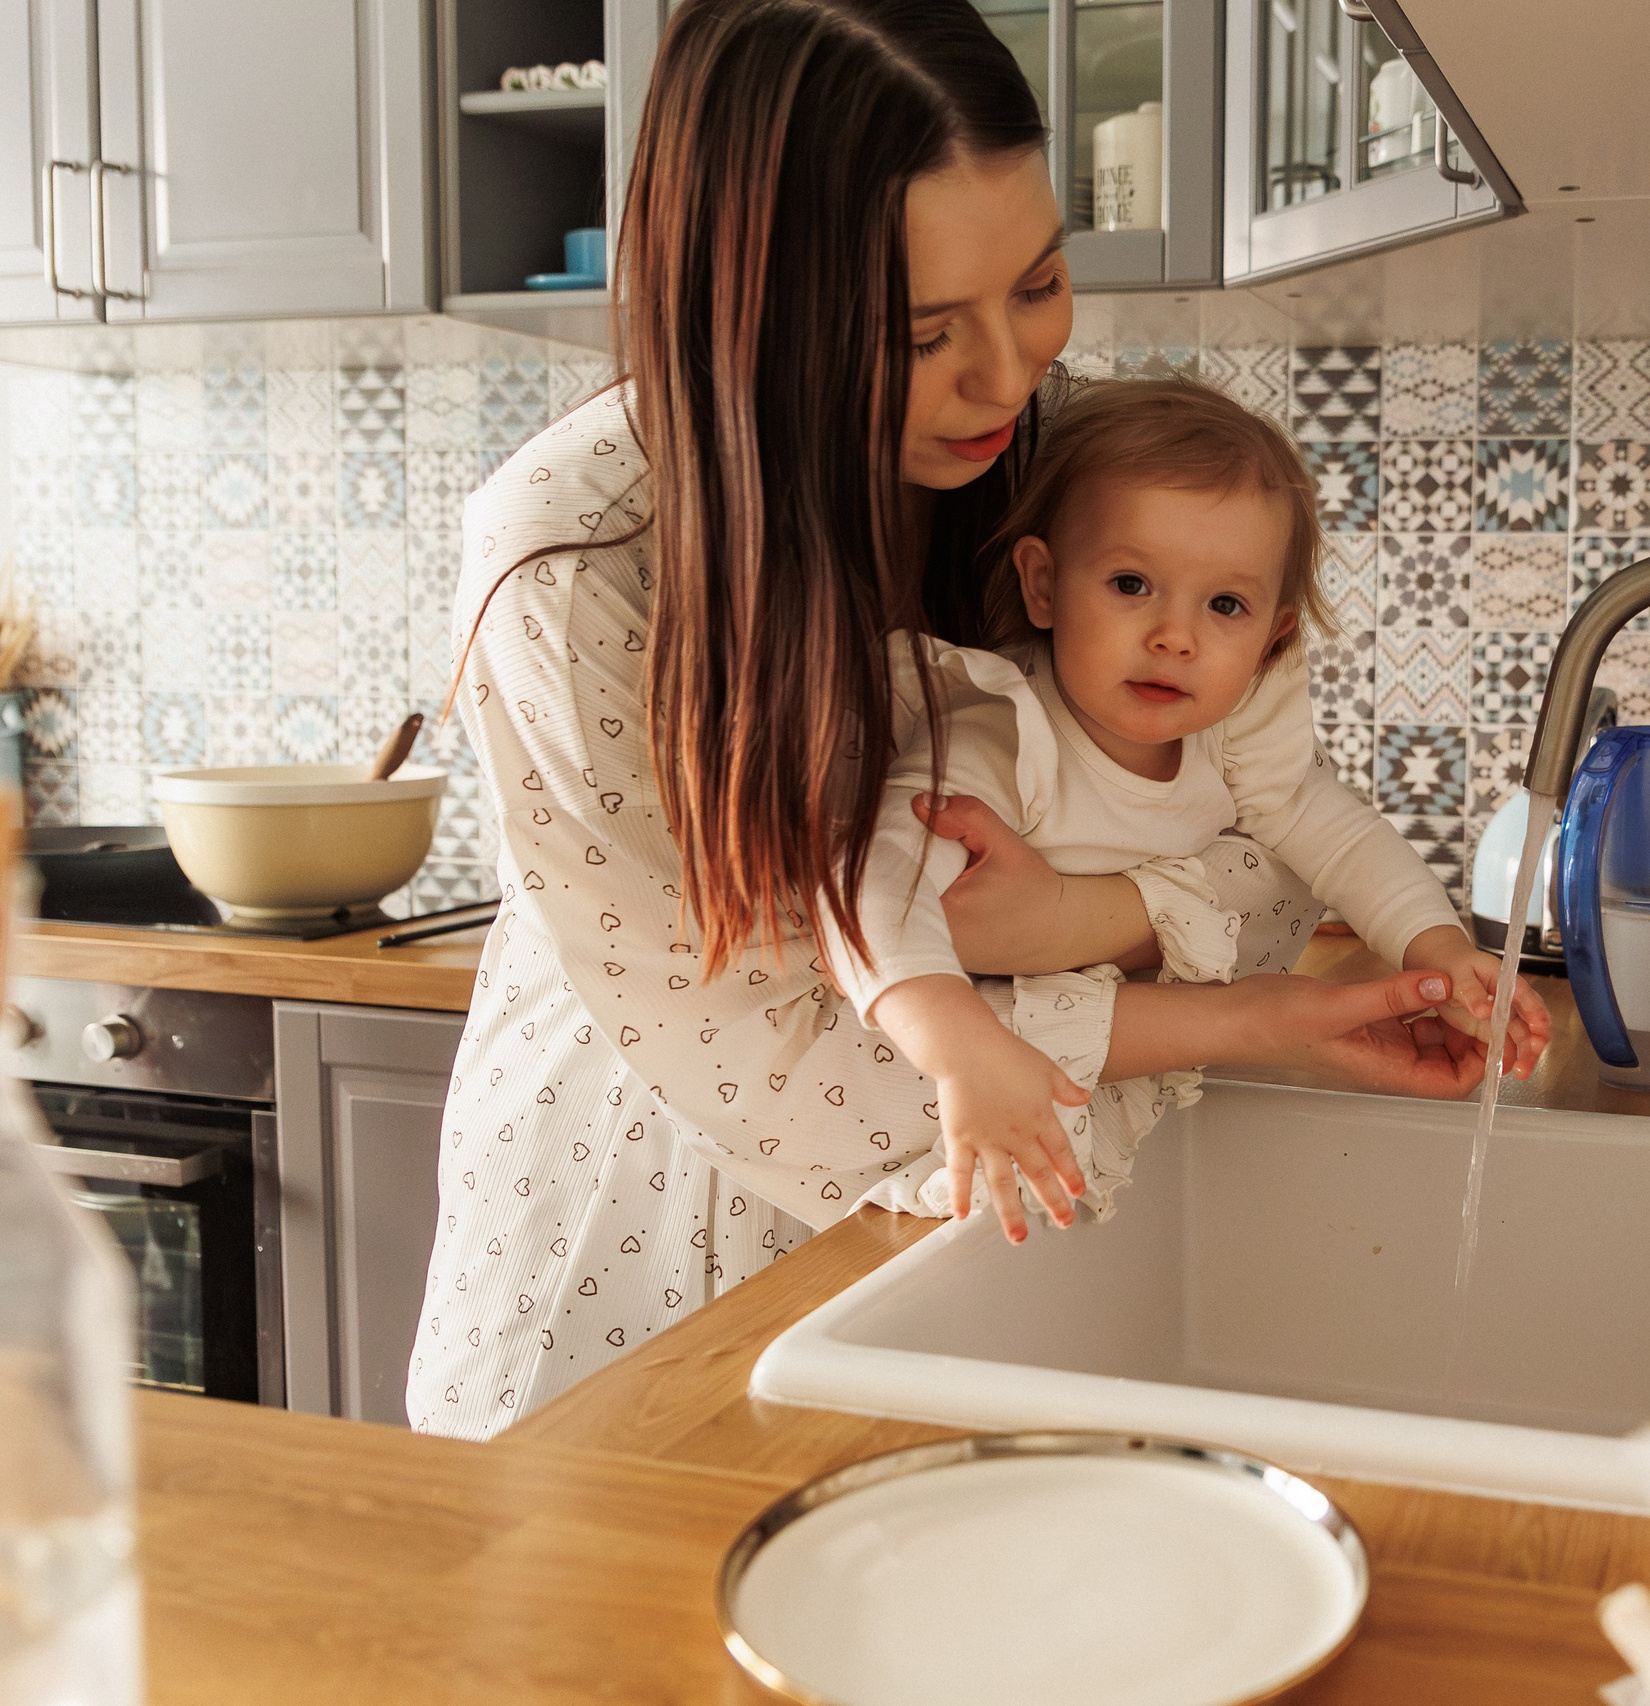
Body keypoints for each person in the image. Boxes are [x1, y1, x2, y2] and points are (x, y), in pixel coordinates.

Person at [409, 0, 1490, 1440]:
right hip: (650, 1226)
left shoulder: (1067, 470)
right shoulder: (576, 561)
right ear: (751, 314)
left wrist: (1065, 922)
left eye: (1038, 284)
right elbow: (774, 1063)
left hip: (1000, 1178)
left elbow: (1270, 835)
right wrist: (1228, 1009)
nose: (1007, 376)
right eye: (919, 333)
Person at [840, 379, 1551, 1236]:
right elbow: (873, 889)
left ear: (1271, 638)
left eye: (1224, 605)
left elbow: (1338, 835)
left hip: (1110, 1070)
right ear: (1044, 584)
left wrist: (1440, 950)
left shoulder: (1231, 740)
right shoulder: (1003, 733)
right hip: (951, 1093)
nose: (1175, 636)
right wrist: (960, 1051)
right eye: (1131, 583)